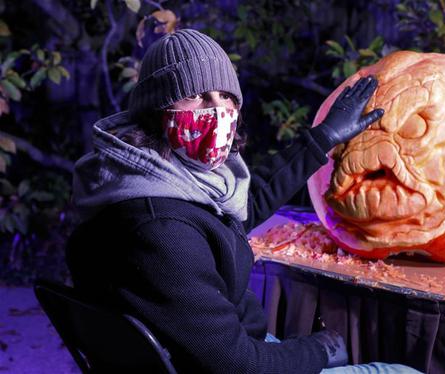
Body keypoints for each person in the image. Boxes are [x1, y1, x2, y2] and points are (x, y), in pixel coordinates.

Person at [66, 29, 421, 373]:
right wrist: (318, 349)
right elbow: (240, 364)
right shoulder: (161, 230)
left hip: (196, 344)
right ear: (155, 111)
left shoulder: (146, 178)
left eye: (225, 95)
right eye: (196, 96)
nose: (217, 109)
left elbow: (237, 211)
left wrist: (322, 138)